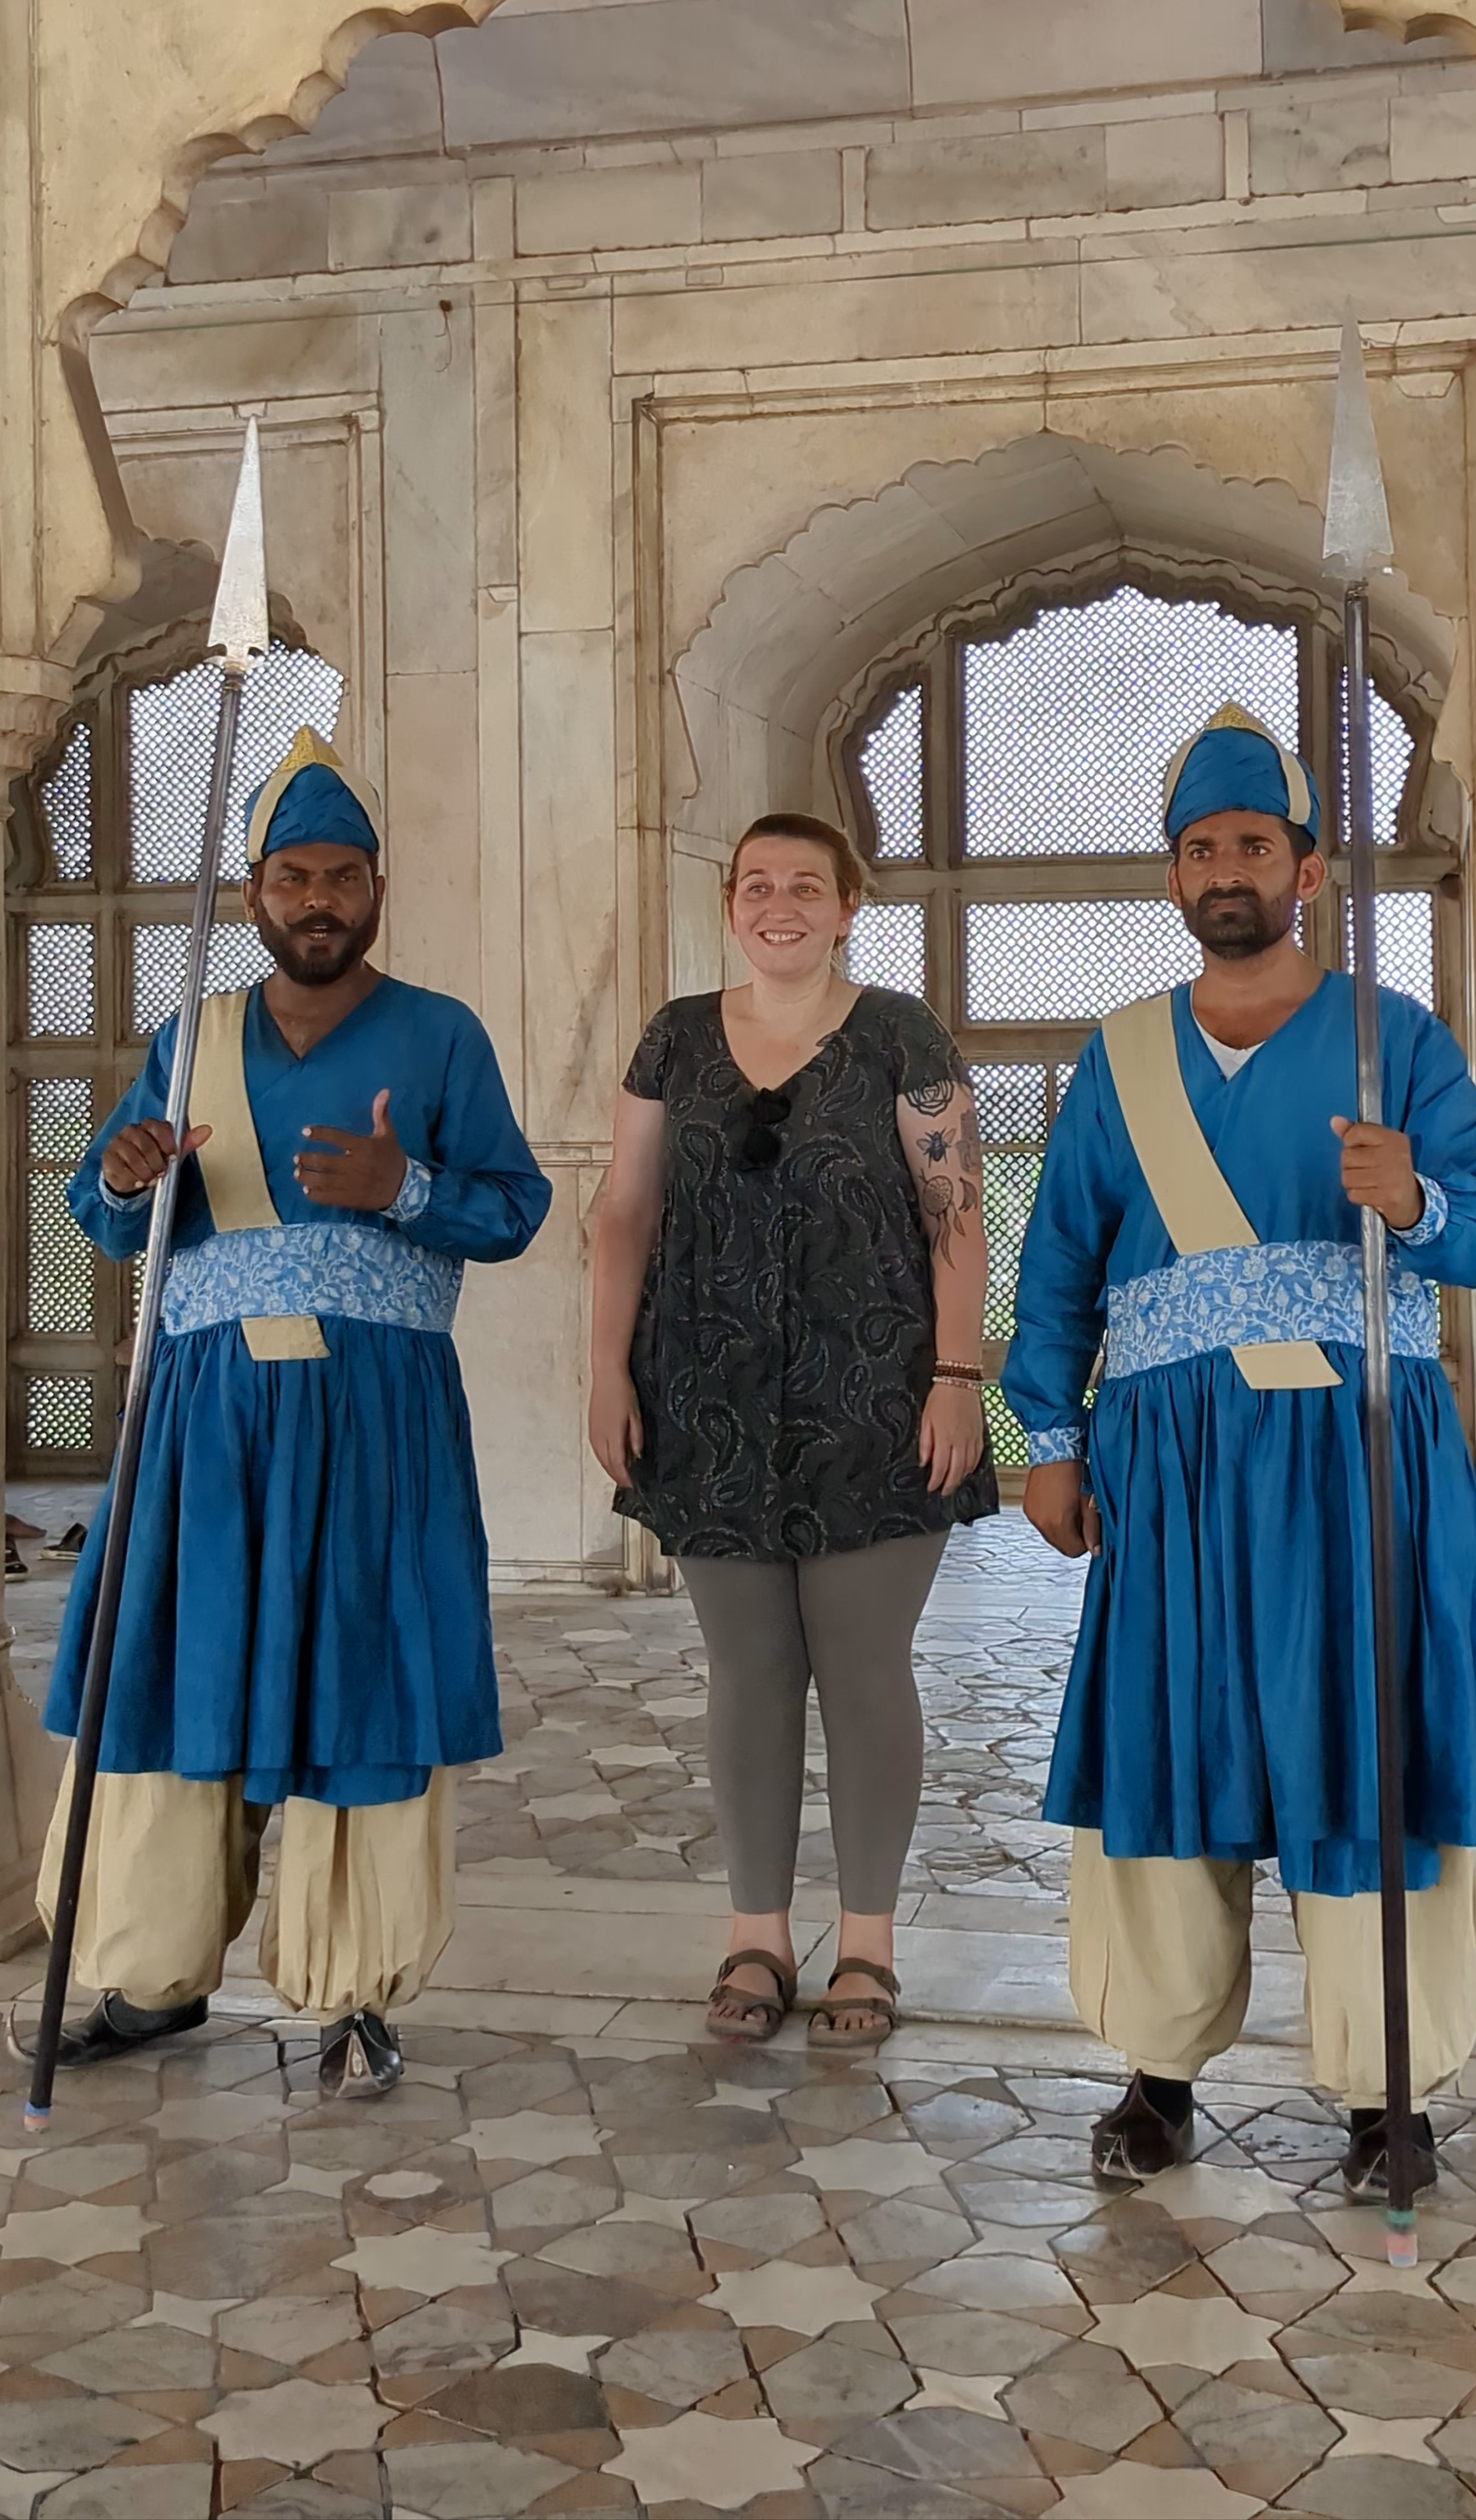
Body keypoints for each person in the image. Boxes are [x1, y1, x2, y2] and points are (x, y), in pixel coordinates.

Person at [1004, 705, 1476, 2195]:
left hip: (1360, 1465)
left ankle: (1388, 2097)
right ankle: (1157, 2074)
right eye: (1200, 846)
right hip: (1170, 1474)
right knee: (1177, 1748)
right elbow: (1060, 1260)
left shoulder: (1396, 1038)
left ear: (1306, 866)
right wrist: (1047, 1435)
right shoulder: (1119, 1062)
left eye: (1254, 843)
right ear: (1173, 876)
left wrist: (1420, 1195)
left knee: (1367, 1746)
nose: (1226, 866)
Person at [34, 729, 551, 2097]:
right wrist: (130, 1170)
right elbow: (100, 1212)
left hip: (372, 1420)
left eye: (340, 877)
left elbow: (514, 1208)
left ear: (377, 886)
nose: (315, 900)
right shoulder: (189, 1037)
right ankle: (151, 1973)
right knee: (176, 1665)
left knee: (358, 1677)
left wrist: (405, 1184)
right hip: (203, 1420)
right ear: (253, 891)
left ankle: (354, 1989)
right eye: (289, 878)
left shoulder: (439, 1035)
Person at [590, 813, 994, 2048]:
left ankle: (865, 1947)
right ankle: (754, 1936)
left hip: (875, 1397)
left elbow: (954, 1215)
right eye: (757, 883)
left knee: (865, 1670)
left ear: (846, 905)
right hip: (704, 1396)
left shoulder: (899, 1034)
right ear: (730, 903)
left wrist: (957, 1373)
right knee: (750, 1675)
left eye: (805, 886)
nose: (780, 904)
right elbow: (624, 1213)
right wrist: (605, 1369)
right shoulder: (673, 1038)